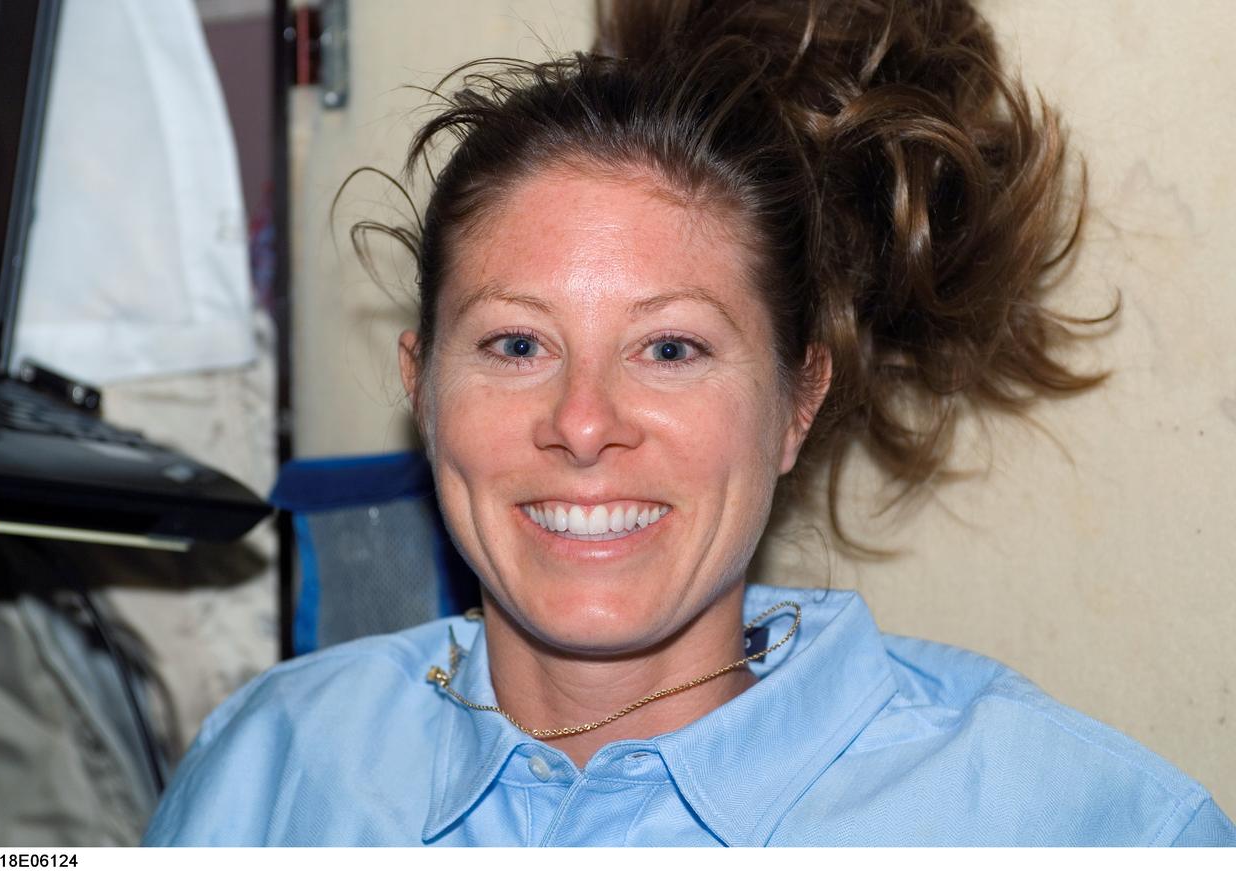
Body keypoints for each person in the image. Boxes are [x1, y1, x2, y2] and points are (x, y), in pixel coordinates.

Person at [143, 0, 1236, 846]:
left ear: (795, 403)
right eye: (516, 345)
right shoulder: (267, 764)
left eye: (669, 348)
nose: (581, 422)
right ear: (420, 388)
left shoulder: (1075, 823)